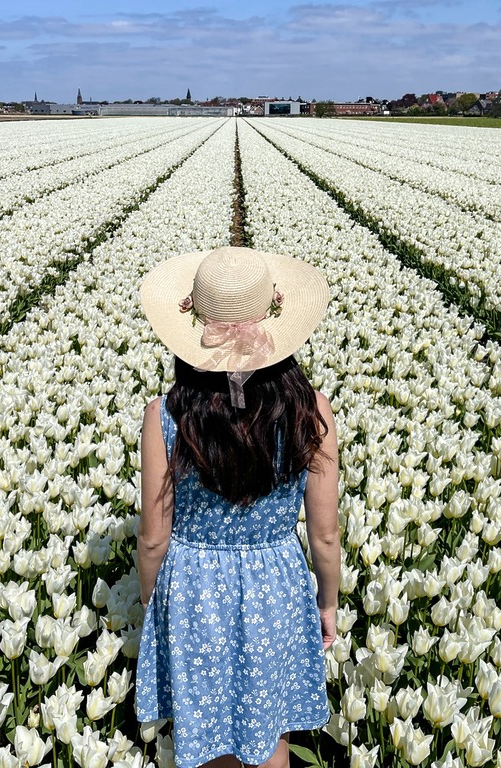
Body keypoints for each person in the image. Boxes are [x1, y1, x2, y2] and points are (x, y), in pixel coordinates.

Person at [135, 246, 341, 768]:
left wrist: (150, 604)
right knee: (271, 733)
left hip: (194, 590)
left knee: (207, 737)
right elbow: (325, 535)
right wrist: (328, 602)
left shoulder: (163, 414)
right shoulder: (310, 408)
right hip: (275, 584)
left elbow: (154, 537)